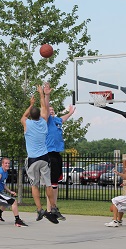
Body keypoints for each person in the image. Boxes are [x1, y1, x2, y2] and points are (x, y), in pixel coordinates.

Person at [20, 84, 59, 224]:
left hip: (33, 159)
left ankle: (40, 209)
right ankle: (53, 207)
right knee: (48, 185)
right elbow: (45, 108)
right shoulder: (43, 122)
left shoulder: (27, 124)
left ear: (31, 115)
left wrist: (31, 104)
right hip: (44, 157)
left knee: (34, 185)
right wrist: (42, 94)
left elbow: (23, 116)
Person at [44, 82, 76, 221]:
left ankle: (53, 208)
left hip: (57, 154)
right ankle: (49, 209)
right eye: (49, 110)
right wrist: (47, 95)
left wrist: (70, 112)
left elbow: (63, 118)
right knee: (50, 183)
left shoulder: (56, 120)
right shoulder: (46, 120)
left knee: (55, 183)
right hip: (49, 153)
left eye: (52, 110)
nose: (50, 111)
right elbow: (45, 107)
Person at [0, 157, 28, 227]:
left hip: (0, 192)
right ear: (2, 164)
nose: (7, 164)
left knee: (7, 201)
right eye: (6, 163)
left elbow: (3, 185)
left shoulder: (5, 172)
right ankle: (17, 221)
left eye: (8, 163)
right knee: (13, 201)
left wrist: (10, 191)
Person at [105, 163, 126, 227]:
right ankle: (119, 220)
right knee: (121, 206)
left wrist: (118, 173)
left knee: (114, 200)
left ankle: (115, 221)